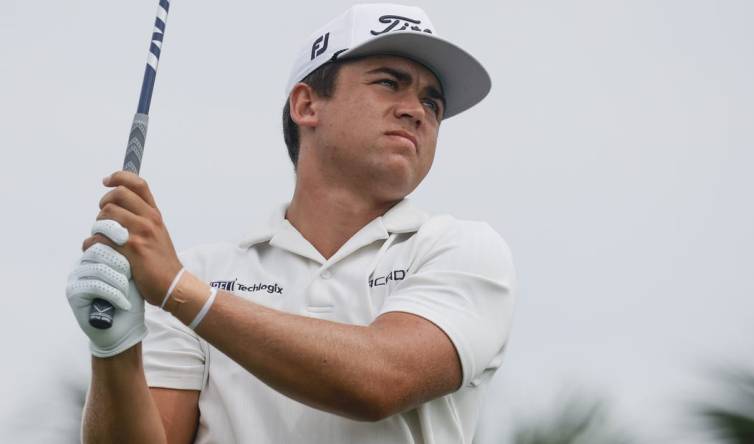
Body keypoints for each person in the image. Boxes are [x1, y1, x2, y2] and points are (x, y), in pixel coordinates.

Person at [66, 4, 517, 443]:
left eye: (431, 102)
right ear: (306, 105)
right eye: (389, 83)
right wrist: (114, 349)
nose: (416, 110)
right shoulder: (201, 272)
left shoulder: (463, 249)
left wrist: (181, 293)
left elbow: (381, 380)